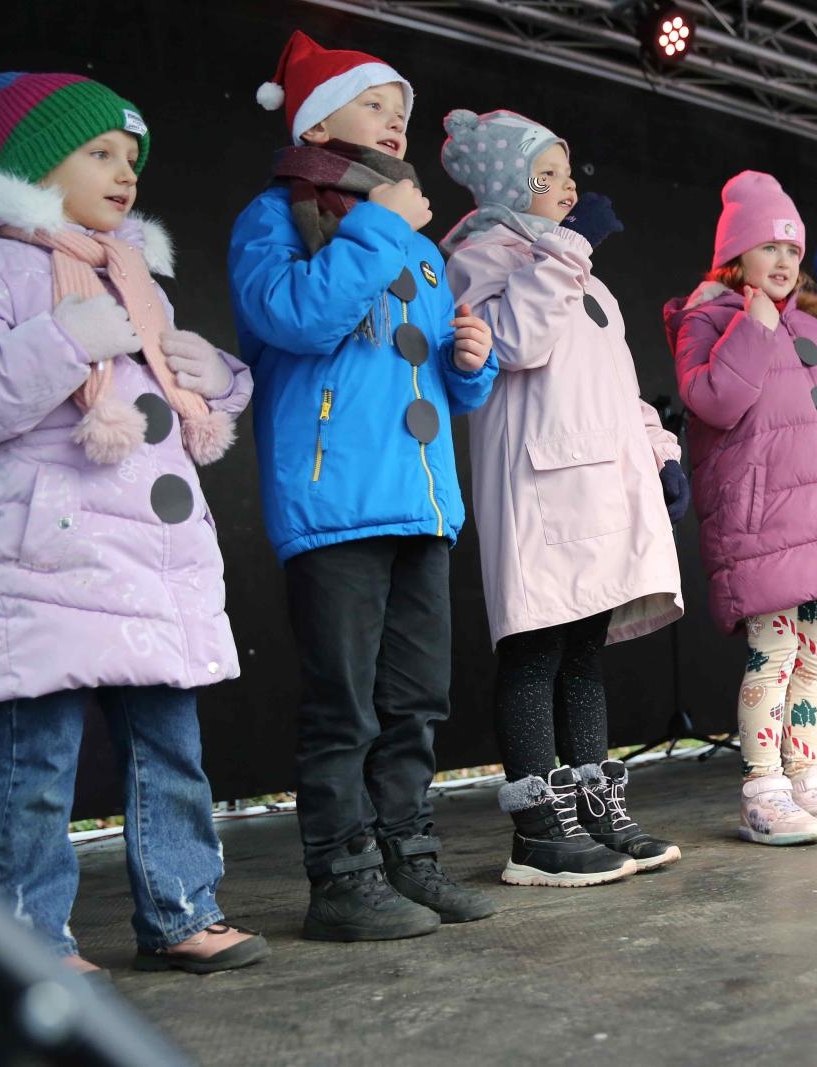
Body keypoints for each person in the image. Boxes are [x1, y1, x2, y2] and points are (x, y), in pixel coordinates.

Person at [0, 72, 267, 974]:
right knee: (34, 765)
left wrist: (216, 377)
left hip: (148, 553)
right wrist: (68, 337)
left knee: (169, 743)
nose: (124, 172)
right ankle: (26, 941)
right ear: (31, 163)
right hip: (49, 560)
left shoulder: (135, 276)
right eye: (99, 151)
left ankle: (182, 908)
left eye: (131, 157)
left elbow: (172, 406)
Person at [231, 31, 498, 939]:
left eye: (402, 108)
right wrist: (385, 225)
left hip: (420, 501)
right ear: (316, 116)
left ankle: (408, 859)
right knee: (343, 703)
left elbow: (427, 373)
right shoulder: (279, 214)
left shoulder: (410, 236)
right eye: (376, 99)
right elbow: (295, 317)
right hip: (335, 501)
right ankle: (341, 877)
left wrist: (472, 365)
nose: (395, 116)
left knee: (415, 699)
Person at [441, 108, 687, 884]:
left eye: (567, 171)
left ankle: (595, 808)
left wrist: (658, 449)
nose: (568, 186)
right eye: (547, 174)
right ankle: (536, 829)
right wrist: (562, 253)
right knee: (535, 645)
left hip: (602, 485)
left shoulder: (582, 271)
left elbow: (611, 379)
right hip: (541, 487)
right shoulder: (480, 256)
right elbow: (516, 344)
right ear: (512, 185)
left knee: (584, 652)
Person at [665, 172, 817, 845]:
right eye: (770, 248)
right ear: (735, 257)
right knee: (773, 654)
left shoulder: (814, 333)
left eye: (794, 249)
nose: (786, 262)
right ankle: (763, 789)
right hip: (762, 525)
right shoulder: (706, 321)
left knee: (813, 657)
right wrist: (754, 327)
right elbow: (714, 401)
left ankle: (808, 779)